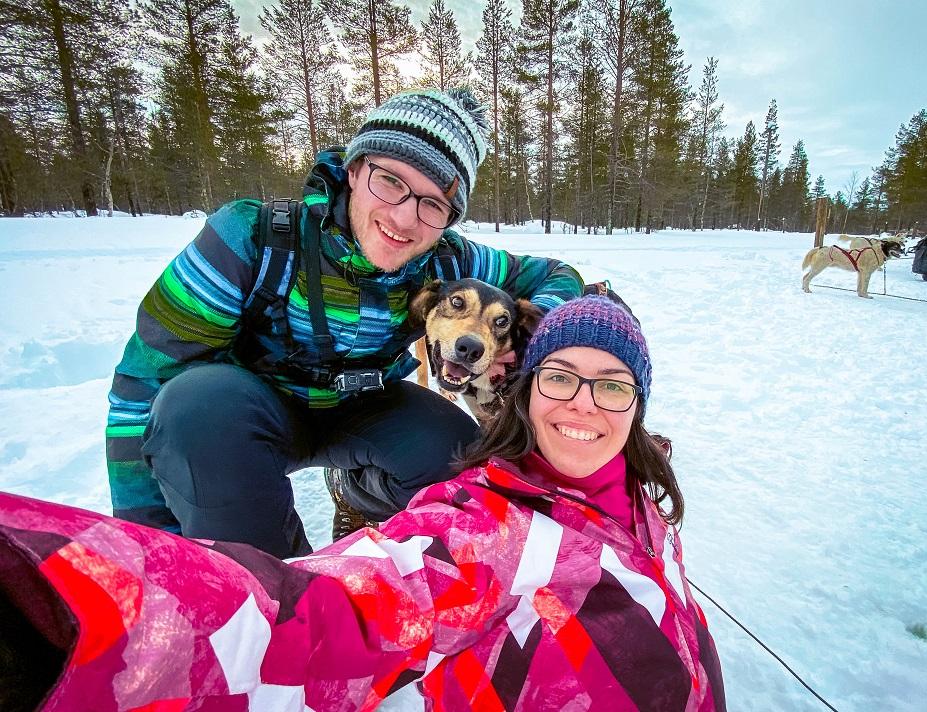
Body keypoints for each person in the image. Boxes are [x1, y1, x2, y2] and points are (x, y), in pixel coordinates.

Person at [1, 295, 725, 711]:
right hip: (255, 410)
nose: (585, 405)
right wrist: (63, 606)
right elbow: (315, 617)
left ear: (638, 407)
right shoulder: (487, 532)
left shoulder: (641, 498)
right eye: (561, 378)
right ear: (527, 390)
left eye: (613, 387)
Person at [106, 87, 583, 557]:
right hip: (246, 415)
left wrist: (527, 339)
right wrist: (146, 546)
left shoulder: (450, 263)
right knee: (195, 406)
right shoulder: (249, 240)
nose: (404, 217)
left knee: (461, 457)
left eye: (433, 204)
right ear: (354, 169)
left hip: (365, 407)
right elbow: (142, 387)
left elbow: (560, 276)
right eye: (391, 181)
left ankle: (363, 508)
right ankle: (274, 587)